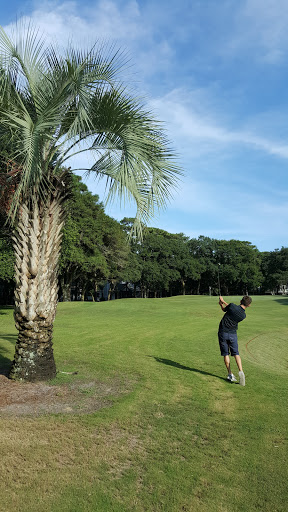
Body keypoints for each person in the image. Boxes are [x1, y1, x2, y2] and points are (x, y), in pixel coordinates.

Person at [218, 295, 252, 386]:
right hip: (233, 334)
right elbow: (232, 309)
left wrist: (221, 303)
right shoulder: (243, 315)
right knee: (236, 353)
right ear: (249, 305)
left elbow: (225, 309)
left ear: (241, 300)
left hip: (223, 332)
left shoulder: (232, 306)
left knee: (226, 354)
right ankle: (241, 371)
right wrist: (224, 302)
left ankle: (230, 374)